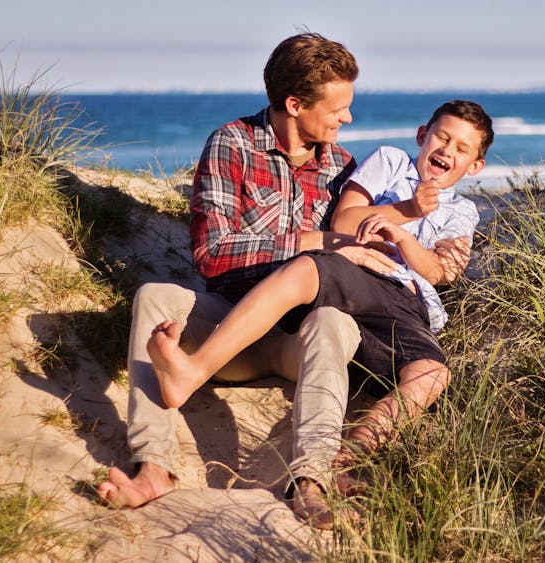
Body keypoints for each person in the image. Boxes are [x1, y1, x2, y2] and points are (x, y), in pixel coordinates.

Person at [96, 33, 471, 530]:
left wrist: (415, 247)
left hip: (300, 341)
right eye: (338, 108)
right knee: (154, 296)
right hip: (233, 327)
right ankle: (153, 466)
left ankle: (310, 481)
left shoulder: (341, 168)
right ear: (295, 104)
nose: (347, 119)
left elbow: (360, 253)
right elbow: (212, 255)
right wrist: (313, 242)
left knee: (332, 322)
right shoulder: (232, 145)